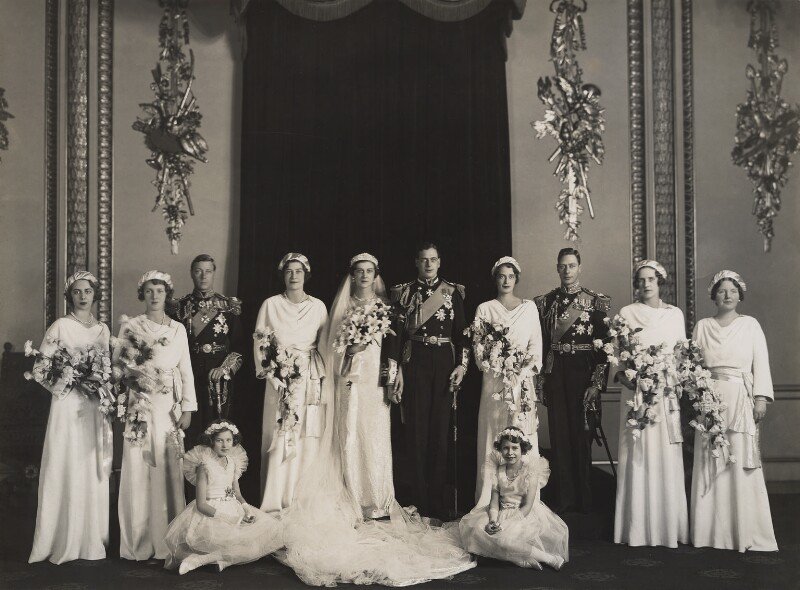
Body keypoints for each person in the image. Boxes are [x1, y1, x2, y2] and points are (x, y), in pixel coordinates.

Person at [690, 270, 777, 552]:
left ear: (740, 295)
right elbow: (693, 366)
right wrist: (699, 394)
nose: (727, 295)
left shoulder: (751, 325)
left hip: (740, 398)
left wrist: (761, 398)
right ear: (714, 295)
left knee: (737, 460)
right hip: (709, 399)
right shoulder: (702, 326)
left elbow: (760, 364)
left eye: (733, 290)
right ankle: (711, 533)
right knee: (711, 461)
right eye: (722, 290)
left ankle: (742, 531)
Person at [28, 271, 113, 564]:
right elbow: (40, 370)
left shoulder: (103, 329)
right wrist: (73, 380)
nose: (82, 296)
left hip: (92, 407)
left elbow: (108, 370)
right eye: (77, 291)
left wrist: (99, 383)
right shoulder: (60, 326)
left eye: (87, 290)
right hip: (66, 405)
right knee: (65, 463)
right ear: (70, 296)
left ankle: (89, 540)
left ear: (94, 294)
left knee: (89, 466)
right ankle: (60, 539)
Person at [117, 270, 197, 561]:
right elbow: (118, 367)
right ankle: (138, 543)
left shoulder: (177, 329)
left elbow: (185, 370)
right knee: (139, 465)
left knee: (167, 466)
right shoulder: (131, 326)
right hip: (140, 402)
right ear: (142, 294)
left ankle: (169, 541)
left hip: (168, 406)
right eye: (149, 291)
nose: (154, 296)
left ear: (167, 295)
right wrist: (133, 378)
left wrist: (187, 407)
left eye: (160, 291)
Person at [388, 241, 469, 520]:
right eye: (424, 260)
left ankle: (437, 501)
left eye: (433, 259)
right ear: (417, 262)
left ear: (439, 262)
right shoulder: (404, 293)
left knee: (439, 434)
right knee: (416, 434)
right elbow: (396, 336)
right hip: (415, 364)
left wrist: (462, 365)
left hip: (444, 364)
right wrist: (395, 371)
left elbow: (463, 335)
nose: (428, 264)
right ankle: (418, 501)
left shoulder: (453, 292)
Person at [614, 260, 688, 548]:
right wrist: (628, 376)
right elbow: (620, 359)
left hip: (665, 393)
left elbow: (681, 356)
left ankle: (668, 526)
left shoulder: (675, 315)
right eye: (641, 280)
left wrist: (670, 378)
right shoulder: (626, 313)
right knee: (638, 453)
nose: (646, 285)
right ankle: (636, 528)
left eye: (651, 280)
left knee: (666, 455)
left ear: (660, 283)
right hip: (637, 394)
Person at [534, 248, 610, 513]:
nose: (567, 271)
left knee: (582, 437)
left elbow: (605, 350)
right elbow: (541, 346)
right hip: (556, 375)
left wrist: (596, 384)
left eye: (572, 266)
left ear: (580, 267)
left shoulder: (595, 302)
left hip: (583, 375)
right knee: (559, 437)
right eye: (563, 266)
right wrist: (540, 382)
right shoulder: (545, 303)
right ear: (557, 269)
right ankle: (565, 501)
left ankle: (585, 501)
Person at [254, 253, 328, 512]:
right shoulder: (270, 304)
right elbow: (260, 342)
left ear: (305, 275)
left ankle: (301, 499)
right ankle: (276, 499)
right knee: (280, 431)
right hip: (279, 377)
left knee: (305, 434)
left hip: (308, 376)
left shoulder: (318, 306)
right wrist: (272, 375)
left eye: (298, 271)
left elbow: (324, 344)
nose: (294, 276)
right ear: (283, 275)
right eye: (289, 271)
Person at [164, 419, 284, 574]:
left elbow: (237, 493)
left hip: (233, 507)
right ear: (211, 441)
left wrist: (246, 509)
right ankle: (204, 559)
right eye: (219, 441)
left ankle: (215, 561)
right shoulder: (204, 465)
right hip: (211, 513)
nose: (225, 445)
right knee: (238, 545)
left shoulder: (233, 462)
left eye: (228, 440)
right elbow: (201, 505)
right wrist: (231, 519)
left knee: (262, 539)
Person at [329, 253, 397, 519]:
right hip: (349, 378)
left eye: (370, 270)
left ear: (375, 274)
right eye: (360, 271)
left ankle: (378, 499)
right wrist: (349, 350)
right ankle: (352, 496)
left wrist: (390, 381)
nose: (365, 275)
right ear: (353, 275)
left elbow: (391, 349)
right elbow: (331, 347)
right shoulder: (343, 306)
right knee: (350, 431)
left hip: (374, 380)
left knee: (375, 432)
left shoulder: (384, 307)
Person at [473, 257, 543, 502]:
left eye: (510, 276)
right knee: (495, 434)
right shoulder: (485, 309)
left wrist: (521, 372)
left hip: (522, 383)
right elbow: (479, 351)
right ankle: (489, 500)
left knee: (521, 435)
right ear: (495, 278)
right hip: (495, 385)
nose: (506, 280)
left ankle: (524, 500)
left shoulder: (529, 308)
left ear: (516, 279)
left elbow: (536, 347)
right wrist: (498, 366)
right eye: (501, 276)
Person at [458, 426, 568, 570]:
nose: (510, 453)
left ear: (522, 449)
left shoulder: (531, 470)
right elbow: (494, 503)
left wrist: (505, 524)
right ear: (500, 449)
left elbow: (527, 506)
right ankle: (518, 559)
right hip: (500, 512)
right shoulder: (497, 470)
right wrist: (493, 520)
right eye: (505, 448)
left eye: (514, 448)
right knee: (476, 531)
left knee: (504, 539)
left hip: (523, 514)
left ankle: (549, 559)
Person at [169, 254, 244, 451]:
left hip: (218, 376)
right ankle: (190, 479)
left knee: (218, 430)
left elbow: (239, 347)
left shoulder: (228, 306)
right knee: (191, 427)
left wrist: (225, 369)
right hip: (189, 372)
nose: (203, 276)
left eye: (208, 271)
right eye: (198, 271)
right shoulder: (179, 307)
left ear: (214, 273)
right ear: (192, 274)